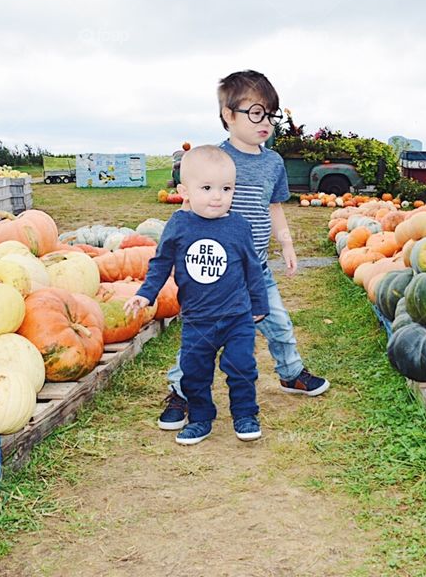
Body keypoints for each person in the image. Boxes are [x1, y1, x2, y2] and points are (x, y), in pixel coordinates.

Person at [157, 70, 330, 431]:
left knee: (279, 323)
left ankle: (291, 373)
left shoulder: (273, 163)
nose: (265, 122)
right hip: (218, 273)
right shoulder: (213, 160)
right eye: (255, 113)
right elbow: (189, 210)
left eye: (270, 114)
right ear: (228, 115)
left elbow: (275, 205)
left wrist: (286, 243)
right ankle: (181, 391)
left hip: (258, 270)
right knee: (199, 336)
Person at [125, 145, 269, 445]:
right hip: (197, 319)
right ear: (184, 191)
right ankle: (201, 418)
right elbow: (161, 262)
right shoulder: (179, 225)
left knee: (242, 366)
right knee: (194, 372)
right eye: (206, 188)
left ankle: (245, 414)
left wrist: (259, 304)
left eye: (226, 188)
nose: (217, 196)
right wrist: (146, 294)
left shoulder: (238, 226)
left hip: (236, 317)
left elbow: (252, 268)